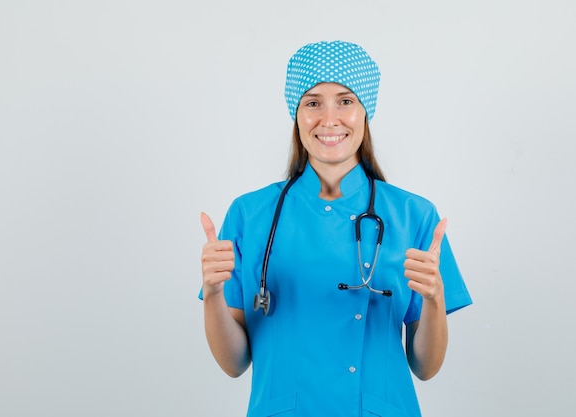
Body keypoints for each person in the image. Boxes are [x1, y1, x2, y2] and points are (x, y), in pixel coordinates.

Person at [199, 40, 472, 417]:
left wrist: (434, 299)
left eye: (345, 101)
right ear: (296, 114)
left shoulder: (414, 214)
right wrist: (213, 293)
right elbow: (234, 364)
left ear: (365, 112)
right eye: (313, 102)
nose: (329, 119)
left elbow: (426, 367)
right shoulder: (250, 214)